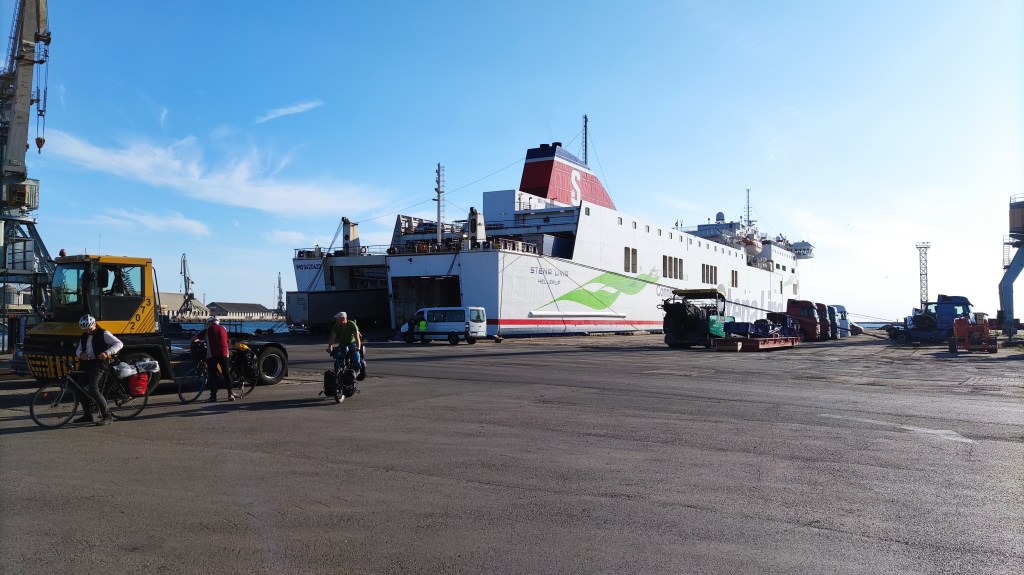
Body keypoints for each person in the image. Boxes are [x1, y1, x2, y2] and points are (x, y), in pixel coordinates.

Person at [74, 314, 123, 425]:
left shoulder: (103, 333)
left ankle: (107, 416)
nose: (88, 331)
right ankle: (87, 415)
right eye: (85, 329)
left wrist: (107, 352)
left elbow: (119, 343)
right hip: (86, 364)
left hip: (99, 364)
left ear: (94, 324)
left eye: (89, 328)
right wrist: (81, 354)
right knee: (79, 388)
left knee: (93, 389)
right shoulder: (84, 336)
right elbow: (78, 350)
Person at [192, 316, 237, 402]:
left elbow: (193, 339)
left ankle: (213, 396)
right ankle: (230, 393)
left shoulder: (207, 330)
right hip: (224, 353)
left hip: (212, 355)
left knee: (212, 375)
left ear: (209, 323)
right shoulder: (224, 328)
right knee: (226, 373)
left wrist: (200, 342)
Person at [326, 311, 364, 379]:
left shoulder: (352, 324)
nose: (336, 321)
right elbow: (332, 337)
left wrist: (358, 347)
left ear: (343, 318)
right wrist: (330, 347)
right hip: (342, 345)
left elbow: (357, 337)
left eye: (337, 319)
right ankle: (337, 371)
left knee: (355, 355)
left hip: (352, 344)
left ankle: (357, 369)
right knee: (338, 357)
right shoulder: (336, 326)